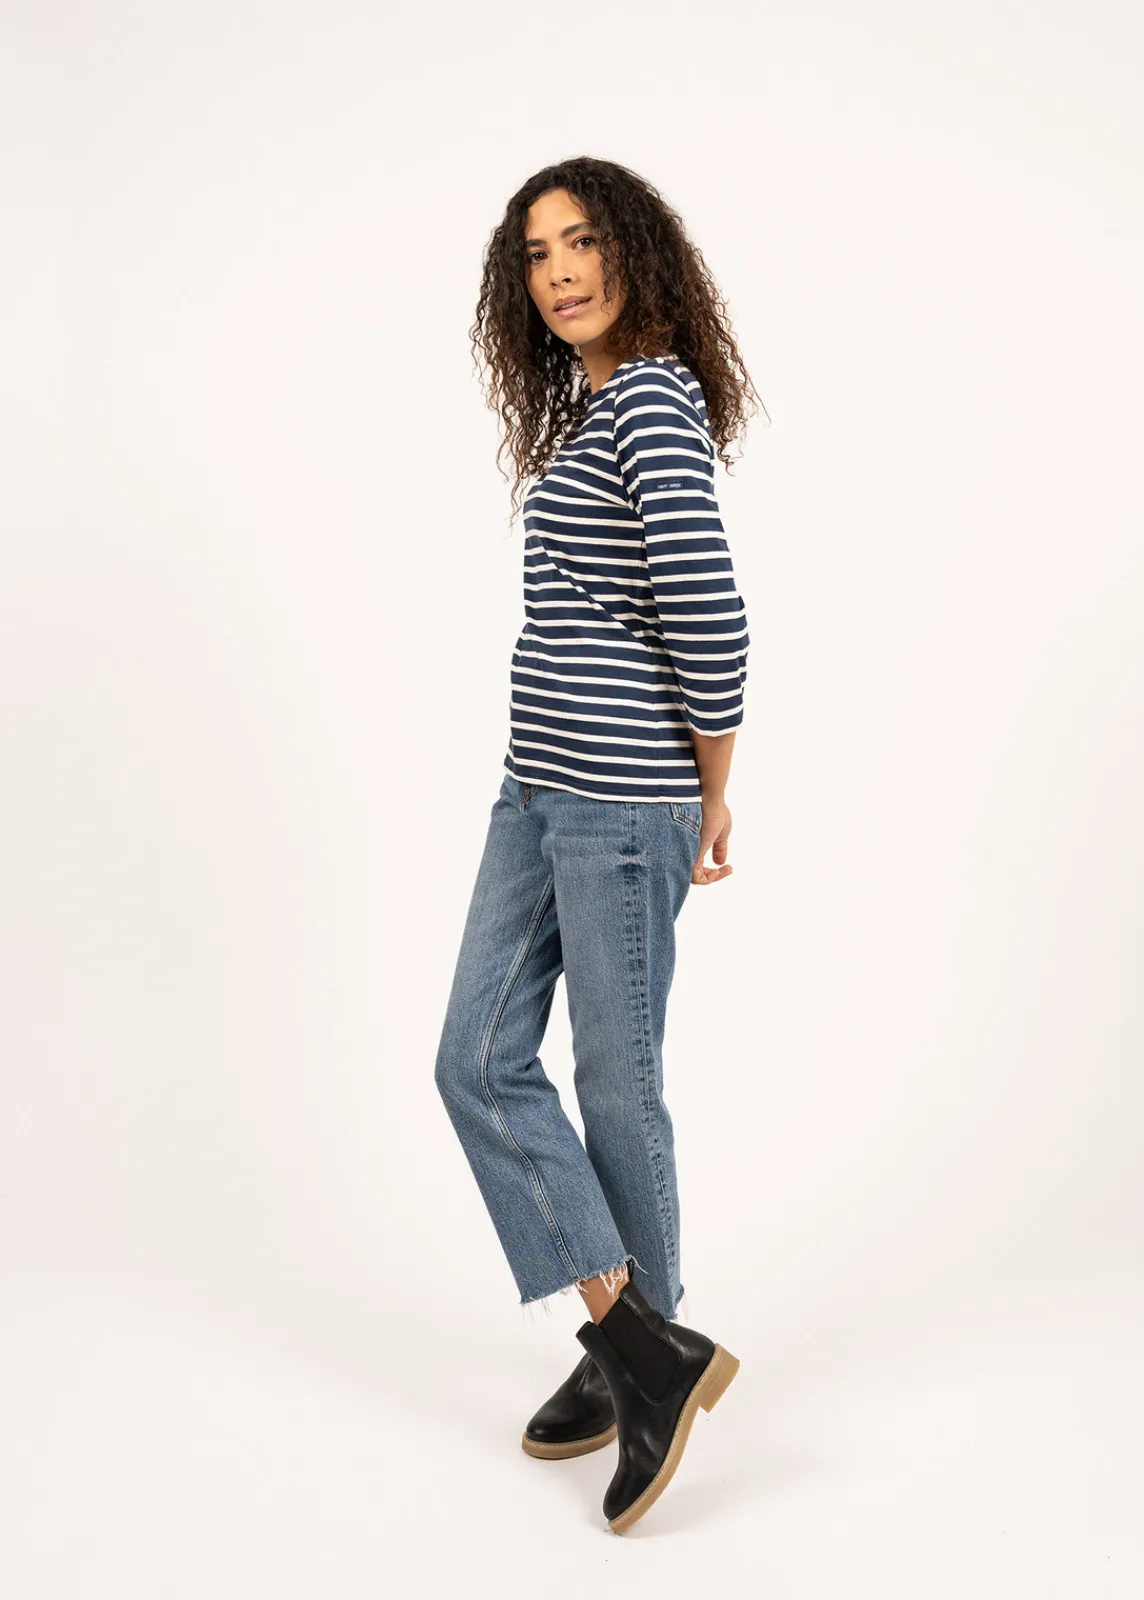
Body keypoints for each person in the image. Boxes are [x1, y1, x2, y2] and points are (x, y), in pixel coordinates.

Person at [434, 155, 764, 1535]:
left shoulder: (654, 404)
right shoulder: (590, 411)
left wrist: (711, 793)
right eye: (535, 254)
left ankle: (642, 1353)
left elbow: (712, 620)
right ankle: (641, 1346)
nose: (559, 272)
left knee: (617, 1088)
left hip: (625, 802)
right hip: (538, 791)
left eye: (581, 243)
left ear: (633, 252)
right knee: (475, 1060)